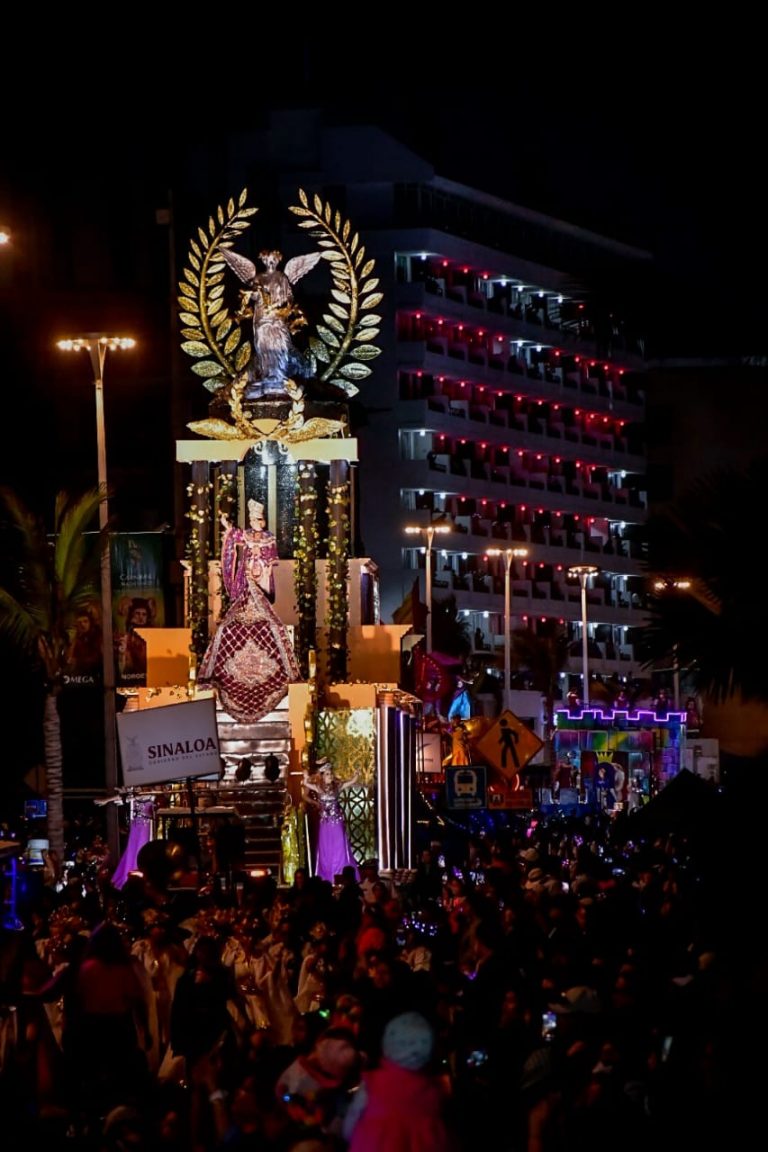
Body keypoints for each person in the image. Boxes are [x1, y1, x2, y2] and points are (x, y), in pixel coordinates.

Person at [198, 500, 301, 724]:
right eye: (255, 519)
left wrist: (260, 563)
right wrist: (228, 528)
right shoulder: (244, 535)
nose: (258, 522)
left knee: (272, 625)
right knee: (226, 627)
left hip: (261, 580)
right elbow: (233, 538)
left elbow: (271, 558)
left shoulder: (269, 537)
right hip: (246, 584)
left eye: (261, 519)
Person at [342, 1010, 459, 1152]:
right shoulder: (433, 1090)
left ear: (387, 1043)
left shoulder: (374, 1082)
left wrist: (350, 1137)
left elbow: (354, 1116)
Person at [220, 246, 322, 400]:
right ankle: (267, 376)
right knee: (264, 346)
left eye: (274, 260)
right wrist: (256, 292)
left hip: (277, 317)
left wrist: (277, 306)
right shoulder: (258, 277)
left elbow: (289, 297)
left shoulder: (282, 277)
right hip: (262, 318)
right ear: (264, 260)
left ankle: (279, 376)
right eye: (269, 260)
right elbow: (252, 296)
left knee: (281, 345)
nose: (272, 263)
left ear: (278, 261)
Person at [302, 760, 359, 884]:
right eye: (327, 774)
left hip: (336, 822)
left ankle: (341, 874)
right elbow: (306, 784)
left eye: (331, 774)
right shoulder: (318, 788)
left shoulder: (337, 787)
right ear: (322, 776)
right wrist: (306, 776)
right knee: (325, 849)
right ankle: (326, 877)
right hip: (325, 823)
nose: (330, 776)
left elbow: (352, 782)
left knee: (339, 847)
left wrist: (356, 774)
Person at [115, 596, 156, 681]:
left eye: (144, 614)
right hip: (129, 678)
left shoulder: (152, 635)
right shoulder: (126, 634)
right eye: (137, 613)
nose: (141, 617)